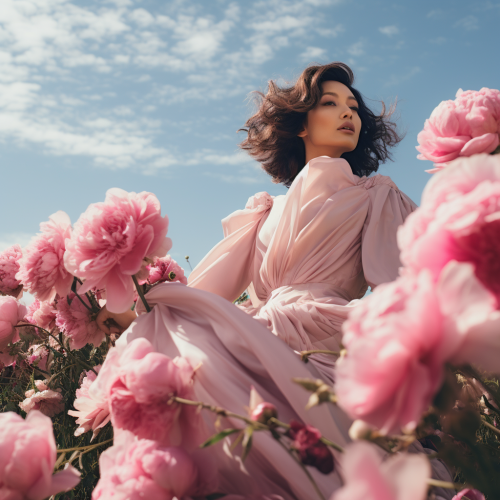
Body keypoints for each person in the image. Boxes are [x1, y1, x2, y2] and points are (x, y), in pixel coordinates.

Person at [96, 62, 452, 499]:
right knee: (180, 358)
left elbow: (403, 285)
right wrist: (133, 305)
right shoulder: (264, 210)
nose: (349, 114)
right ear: (301, 123)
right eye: (331, 103)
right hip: (257, 332)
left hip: (330, 335)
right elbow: (205, 294)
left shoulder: (376, 195)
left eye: (354, 107)